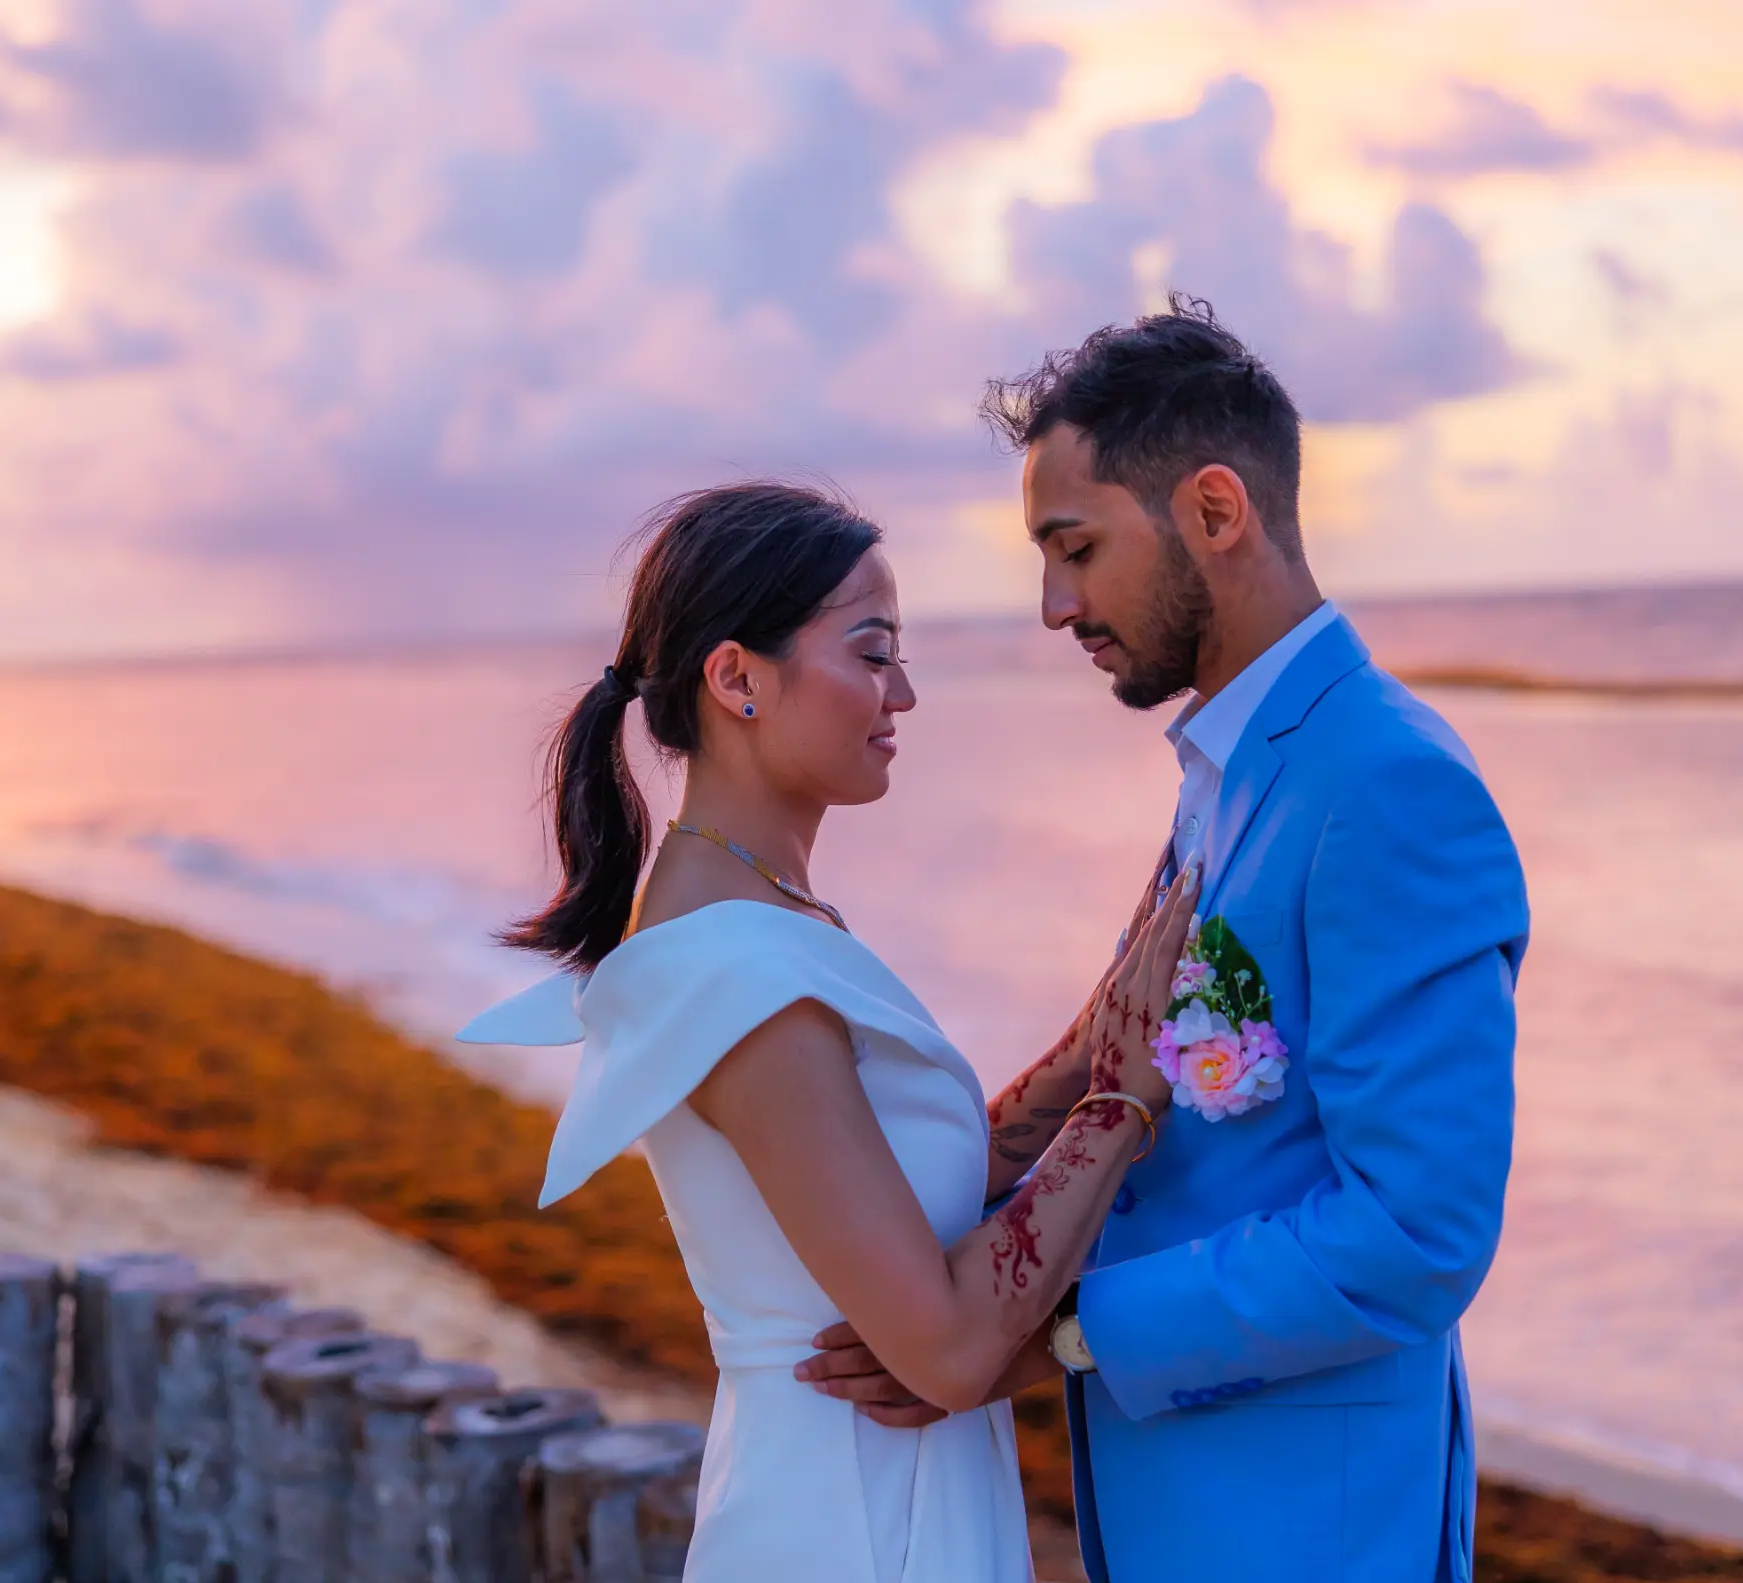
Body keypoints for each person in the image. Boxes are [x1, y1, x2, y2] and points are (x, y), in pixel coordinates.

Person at [798, 298, 1531, 1581]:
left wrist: (1064, 1325)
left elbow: (1416, 1230)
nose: (1050, 603)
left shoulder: (1386, 784)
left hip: (1311, 1525)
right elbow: (1136, 1086)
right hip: (1180, 1508)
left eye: (1073, 548)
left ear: (1211, 510)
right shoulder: (1227, 771)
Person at [456, 481, 1199, 1583]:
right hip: (854, 1516)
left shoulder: (763, 914)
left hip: (871, 1482)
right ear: (736, 677)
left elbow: (918, 1166)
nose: (901, 692)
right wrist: (1119, 1104)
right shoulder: (734, 968)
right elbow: (947, 1348)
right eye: (870, 652)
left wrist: (1102, 1028)